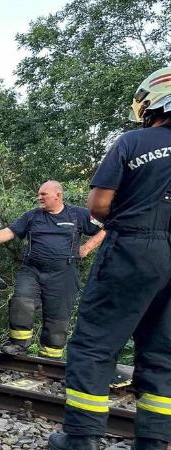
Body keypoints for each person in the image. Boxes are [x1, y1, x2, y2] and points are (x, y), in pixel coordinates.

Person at [49, 67, 171, 450]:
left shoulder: (133, 142)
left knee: (95, 345)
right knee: (163, 352)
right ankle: (153, 443)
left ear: (154, 100)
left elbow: (99, 205)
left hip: (133, 248)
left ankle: (81, 438)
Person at [0, 181, 105, 359]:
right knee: (21, 301)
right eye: (39, 194)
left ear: (58, 195)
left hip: (64, 274)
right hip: (32, 270)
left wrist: (87, 247)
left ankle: (50, 357)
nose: (39, 197)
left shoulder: (78, 214)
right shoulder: (32, 216)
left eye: (43, 194)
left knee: (58, 316)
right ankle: (18, 345)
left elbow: (109, 225)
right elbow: (9, 231)